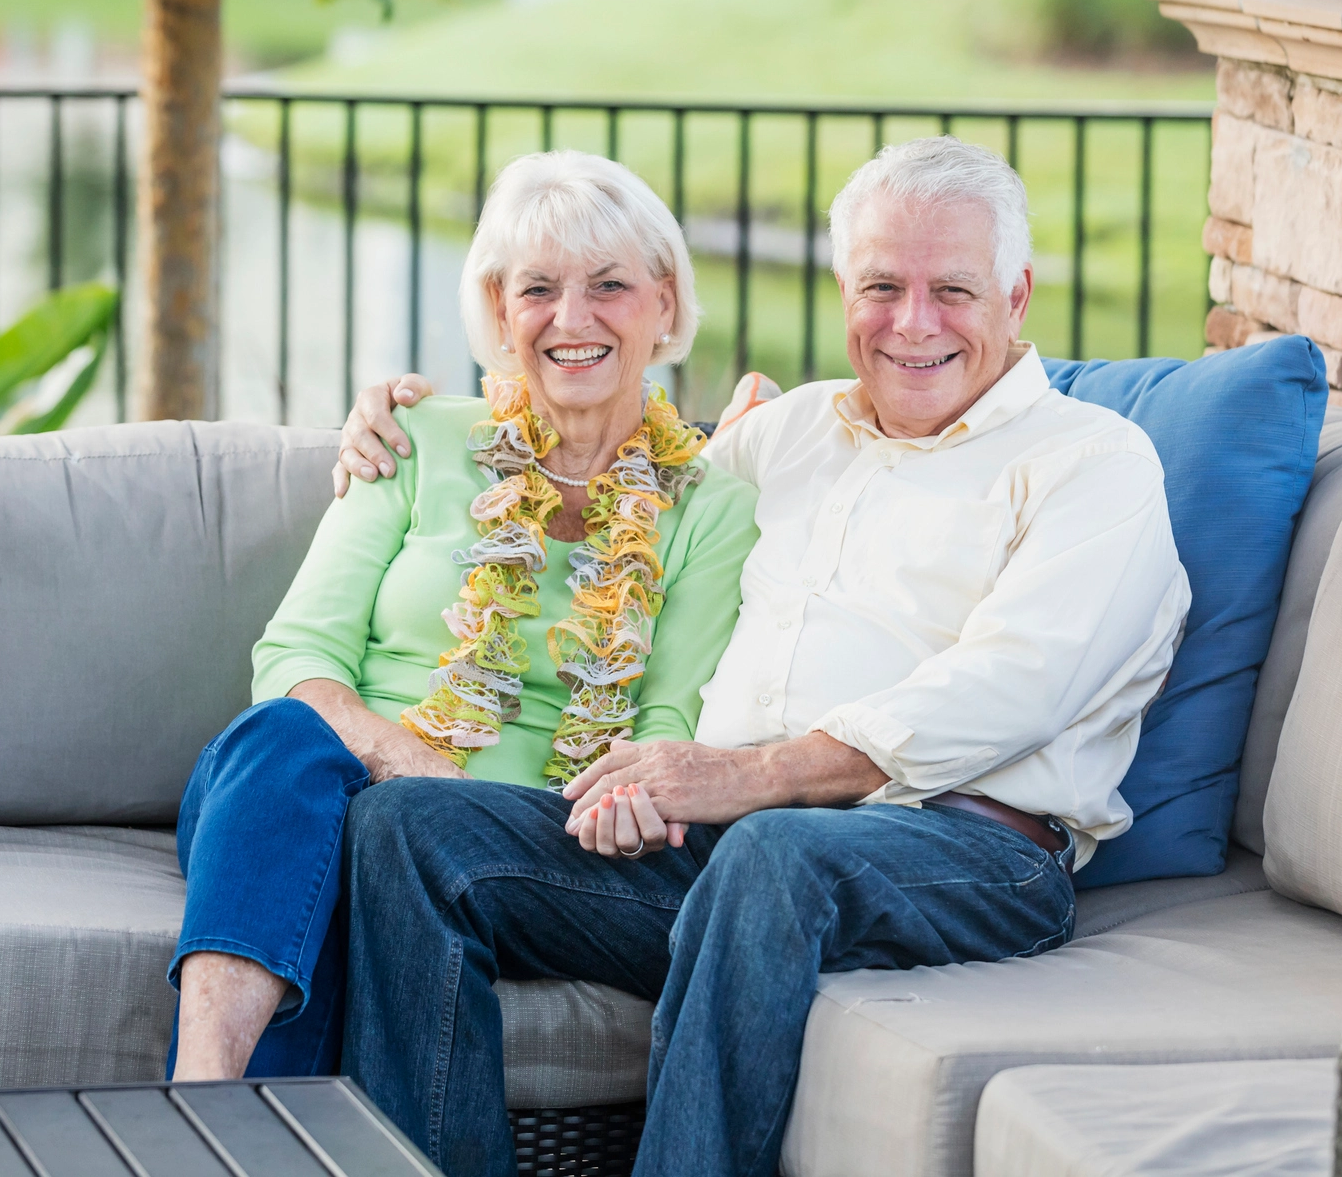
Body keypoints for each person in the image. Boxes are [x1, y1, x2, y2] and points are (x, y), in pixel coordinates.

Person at [329, 135, 1194, 1177]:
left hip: (967, 853)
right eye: (882, 286)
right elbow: (609, 478)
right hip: (723, 850)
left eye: (951, 290)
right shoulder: (783, 435)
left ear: (1017, 294)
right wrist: (406, 423)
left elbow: (1014, 686)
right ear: (842, 290)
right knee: (408, 828)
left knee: (774, 850)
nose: (912, 323)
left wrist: (741, 777)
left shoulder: (1090, 464)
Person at [168, 149, 760, 1082]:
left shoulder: (710, 504)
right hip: (310, 791)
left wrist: (620, 807)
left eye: (609, 285)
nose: (571, 320)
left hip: (518, 843)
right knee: (283, 739)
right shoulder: (416, 440)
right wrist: (405, 761)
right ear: (496, 309)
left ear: (665, 304)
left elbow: (664, 722)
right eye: (537, 289)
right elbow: (295, 653)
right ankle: (201, 1105)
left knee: (387, 847)